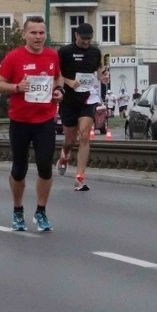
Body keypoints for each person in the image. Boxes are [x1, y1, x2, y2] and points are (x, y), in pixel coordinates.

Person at [0, 16, 64, 233]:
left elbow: (58, 78)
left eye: (42, 32)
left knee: (45, 165)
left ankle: (41, 211)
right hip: (20, 121)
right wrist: (16, 87)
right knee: (19, 168)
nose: (38, 37)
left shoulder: (52, 55)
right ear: (24, 34)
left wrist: (59, 91)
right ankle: (17, 210)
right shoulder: (14, 57)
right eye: (33, 32)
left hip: (45, 120)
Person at [56, 23, 107, 192]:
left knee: (84, 136)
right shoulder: (65, 52)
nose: (86, 42)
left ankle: (79, 179)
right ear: (76, 35)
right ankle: (64, 157)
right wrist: (69, 82)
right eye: (83, 38)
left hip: (88, 99)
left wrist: (102, 77)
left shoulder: (95, 52)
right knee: (70, 140)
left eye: (89, 38)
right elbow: (55, 73)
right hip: (69, 100)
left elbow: (98, 71)